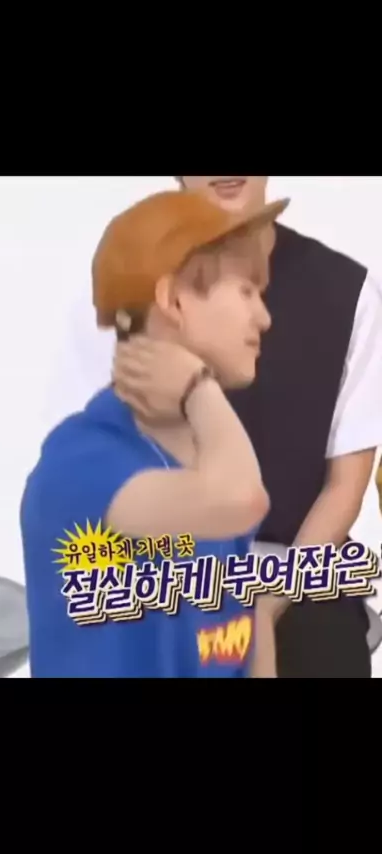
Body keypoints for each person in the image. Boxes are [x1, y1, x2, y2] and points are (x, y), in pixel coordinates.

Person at [20, 188, 290, 678]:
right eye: (246, 292)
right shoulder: (82, 460)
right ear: (173, 300)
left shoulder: (211, 454)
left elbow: (243, 620)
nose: (264, 318)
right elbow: (239, 502)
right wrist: (197, 387)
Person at [178, 176, 382, 678]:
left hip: (302, 569)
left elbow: (344, 488)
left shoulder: (345, 292)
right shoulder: (131, 290)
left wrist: (270, 603)